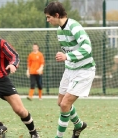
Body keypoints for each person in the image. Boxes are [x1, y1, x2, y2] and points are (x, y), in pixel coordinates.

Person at [44, 2, 96, 138]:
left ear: (56, 15)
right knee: (60, 103)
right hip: (70, 70)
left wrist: (67, 56)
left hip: (84, 70)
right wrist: (66, 57)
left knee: (65, 104)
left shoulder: (74, 26)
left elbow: (87, 48)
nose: (47, 20)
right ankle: (78, 125)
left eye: (49, 17)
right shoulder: (60, 30)